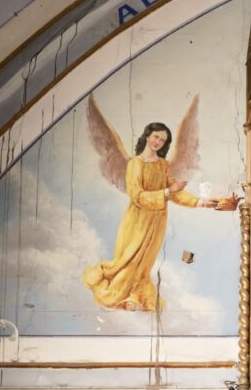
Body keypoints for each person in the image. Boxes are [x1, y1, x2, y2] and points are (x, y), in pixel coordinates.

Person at [80, 100, 239, 314]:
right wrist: (166, 192)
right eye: (156, 136)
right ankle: (115, 295)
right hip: (136, 221)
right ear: (147, 136)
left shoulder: (163, 165)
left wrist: (202, 203)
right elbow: (137, 195)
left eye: (163, 140)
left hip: (156, 223)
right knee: (126, 260)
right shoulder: (135, 164)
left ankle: (134, 296)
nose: (158, 142)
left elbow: (176, 194)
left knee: (144, 264)